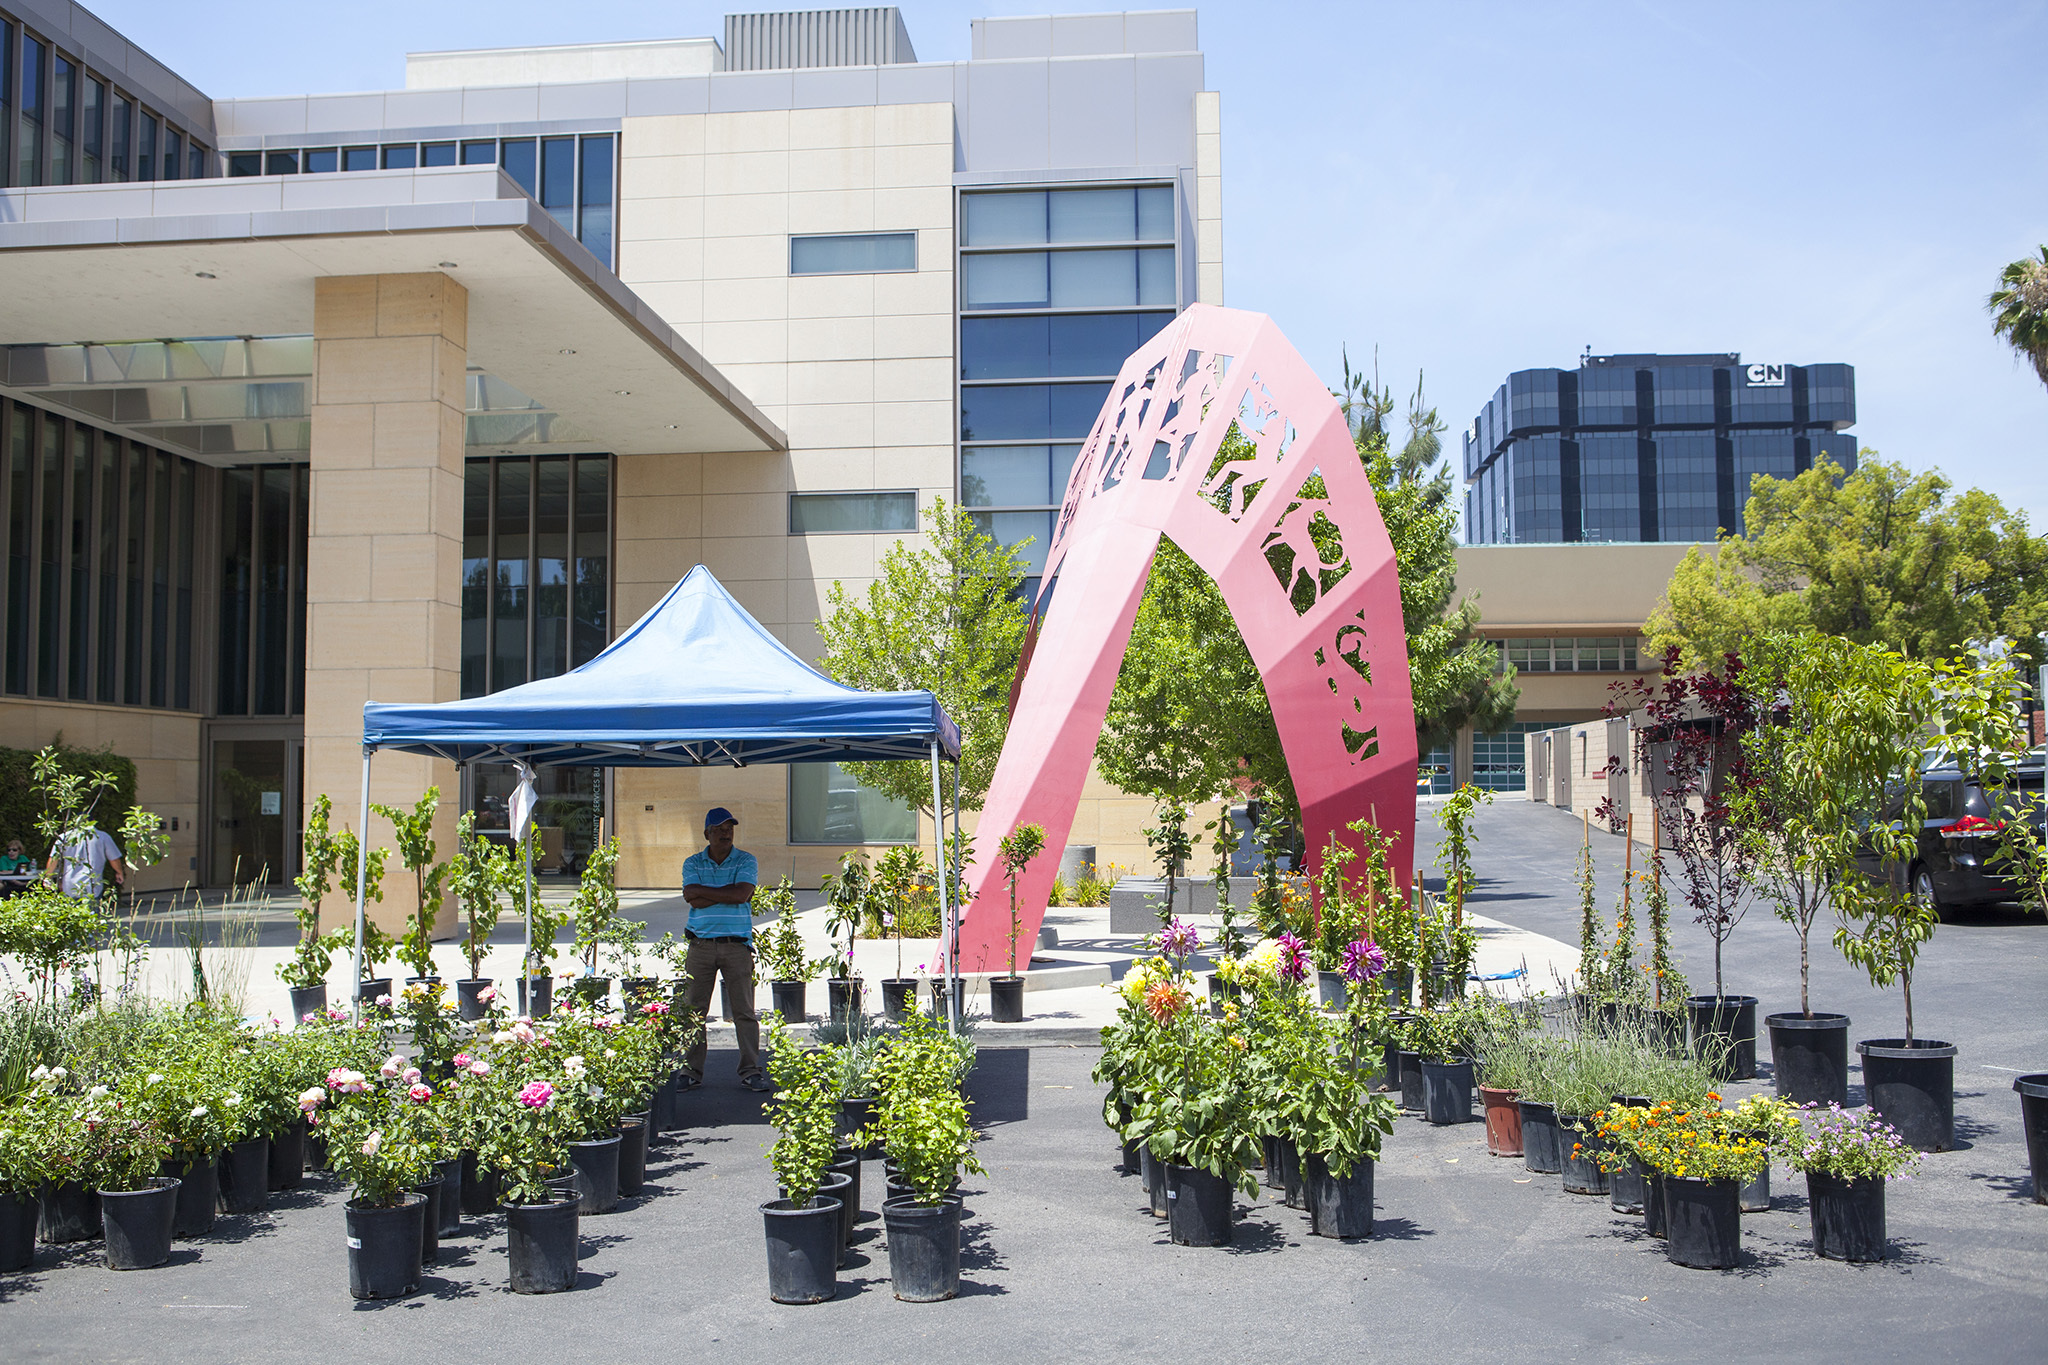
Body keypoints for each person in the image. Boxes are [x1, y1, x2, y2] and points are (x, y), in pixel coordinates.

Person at [679, 807, 769, 1092]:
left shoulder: (746, 860)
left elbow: (742, 893)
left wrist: (707, 892)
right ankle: (691, 1071)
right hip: (701, 946)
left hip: (736, 946)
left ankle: (750, 1070)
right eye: (718, 828)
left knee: (744, 1012)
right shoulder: (693, 862)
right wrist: (726, 894)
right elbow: (691, 898)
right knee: (694, 1012)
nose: (725, 832)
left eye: (729, 827)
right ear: (706, 834)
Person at [46, 825, 126, 901]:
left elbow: (53, 859)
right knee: (91, 912)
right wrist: (119, 872)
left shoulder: (64, 837)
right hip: (92, 885)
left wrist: (48, 877)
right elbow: (114, 859)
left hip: (69, 886)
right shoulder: (102, 837)